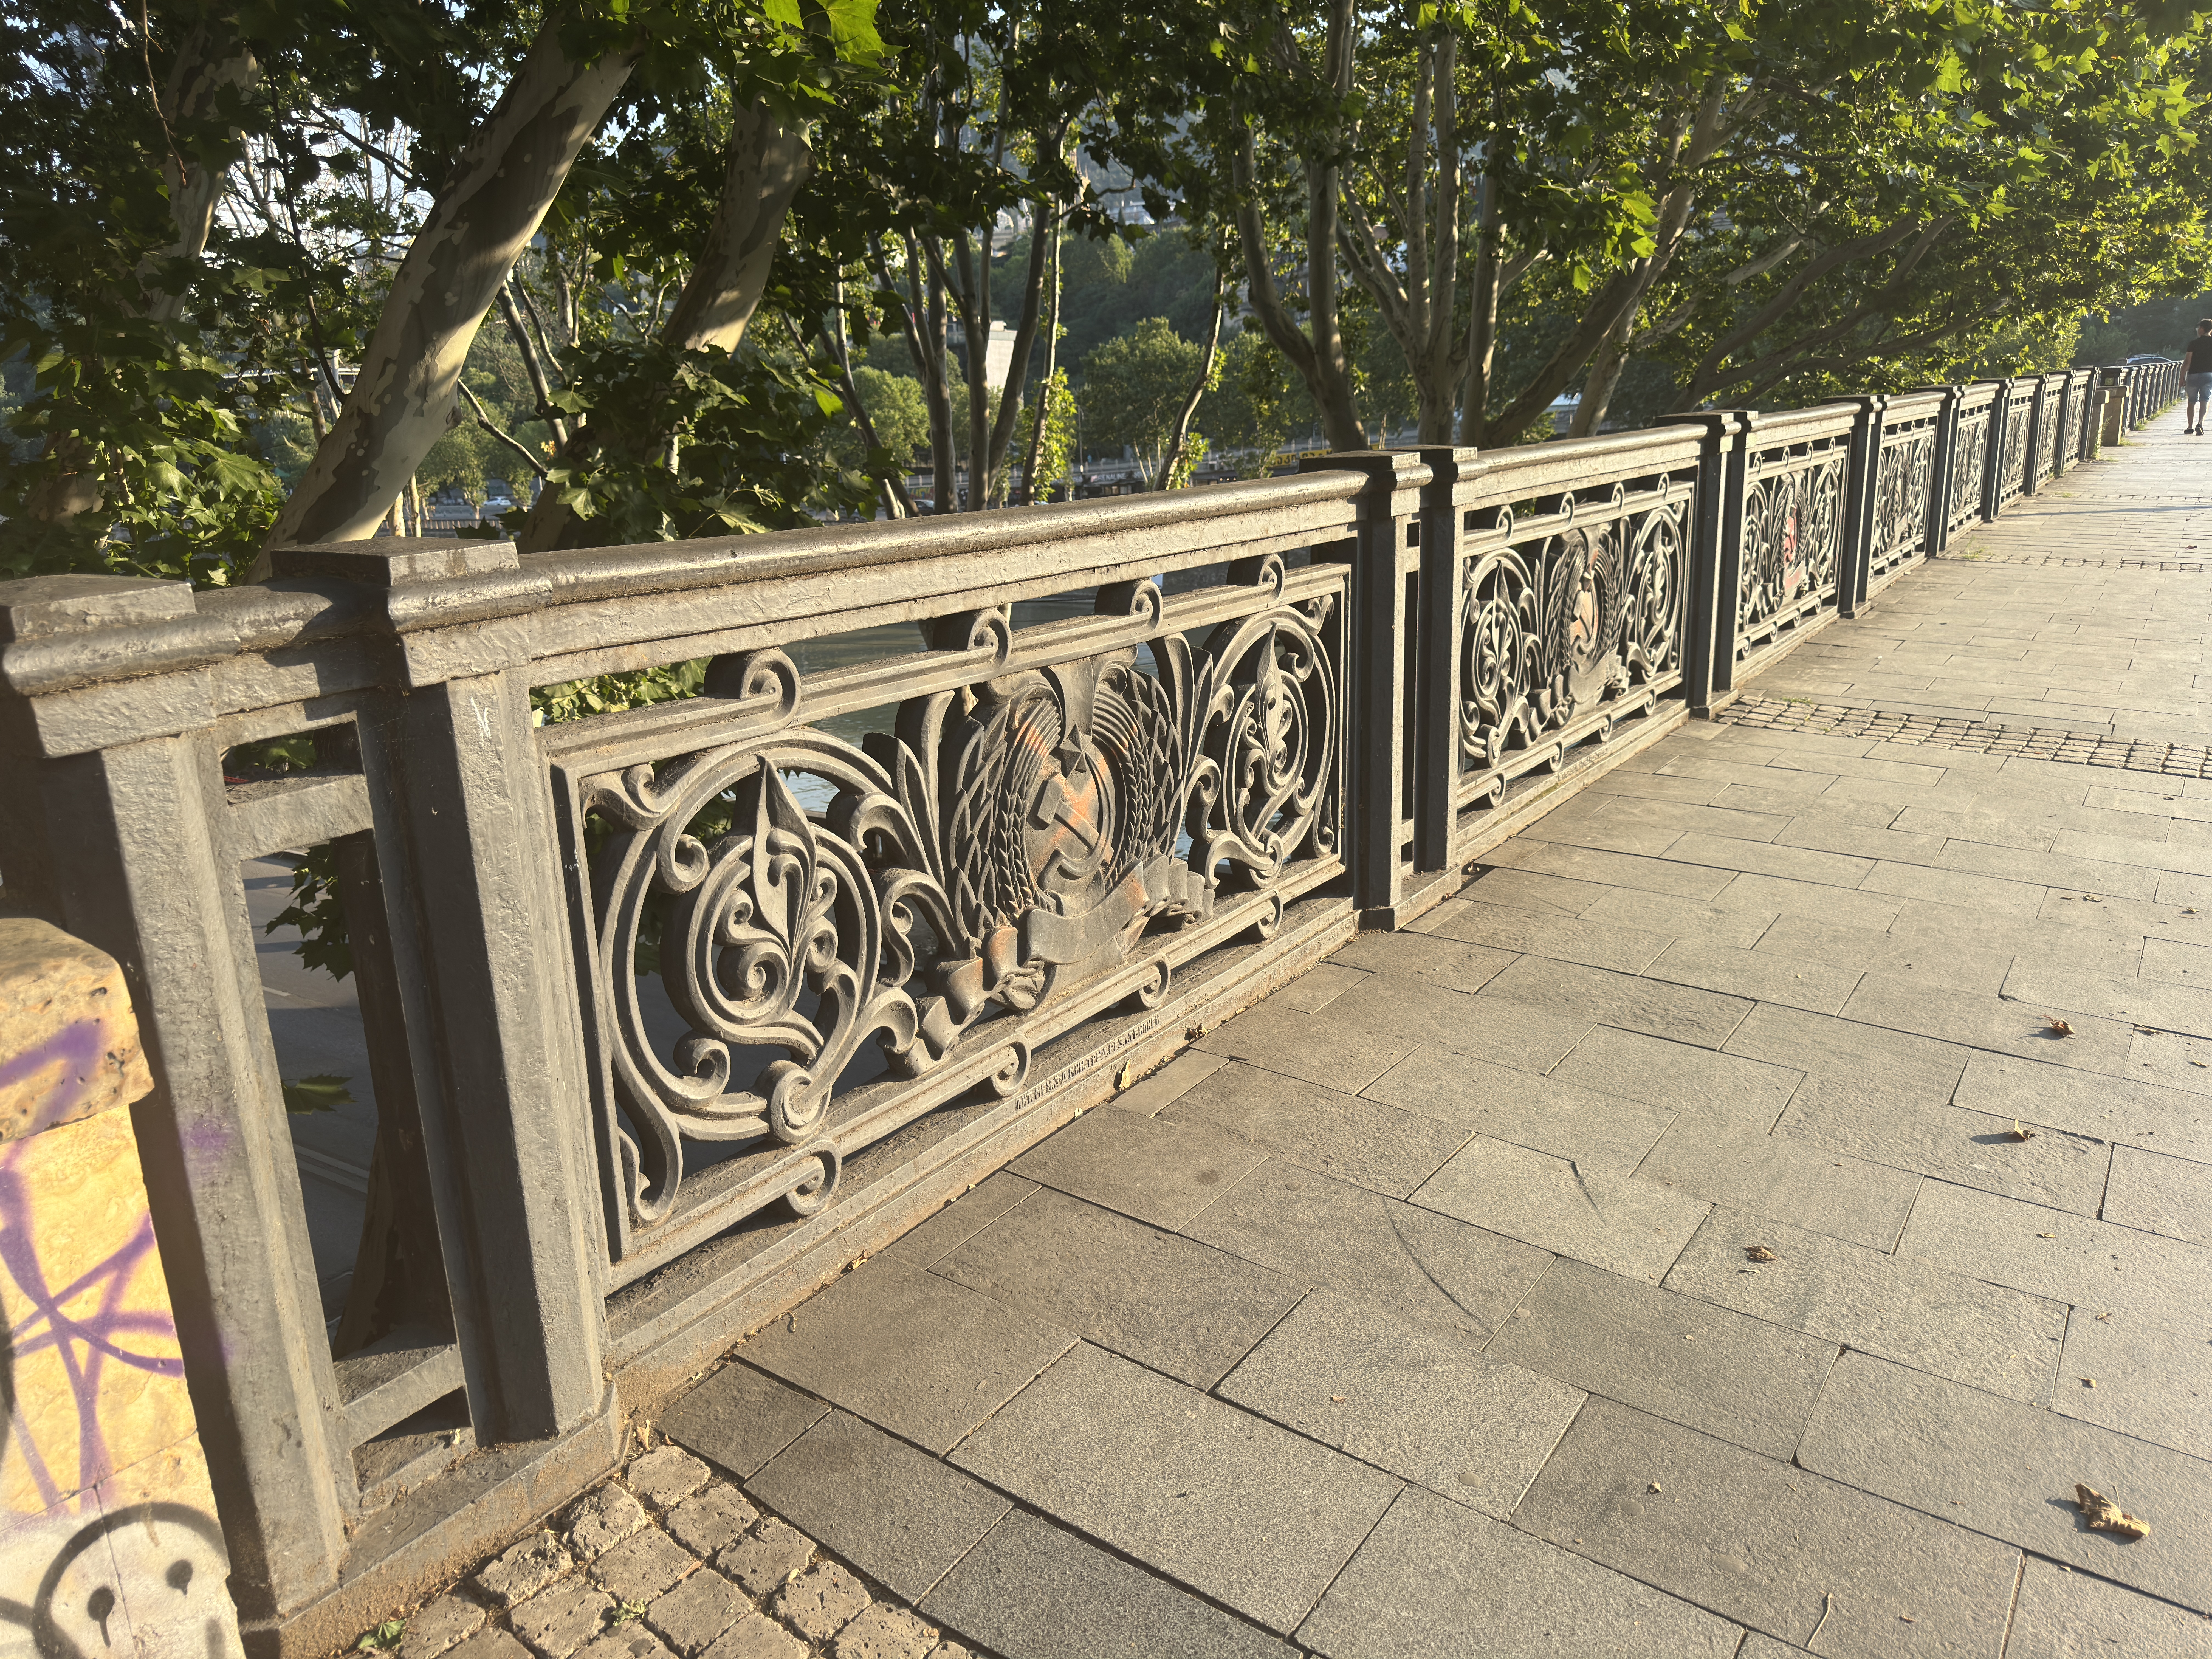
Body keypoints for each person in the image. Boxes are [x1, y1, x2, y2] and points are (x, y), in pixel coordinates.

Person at [2186, 320, 2212, 434]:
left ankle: (2190, 427)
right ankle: (2200, 424)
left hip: (2193, 375)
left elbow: (2187, 363)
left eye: (2199, 327)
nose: (2198, 330)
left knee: (2192, 402)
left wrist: (2182, 378)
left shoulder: (2194, 343)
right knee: (2205, 400)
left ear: (2202, 329)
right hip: (2209, 375)